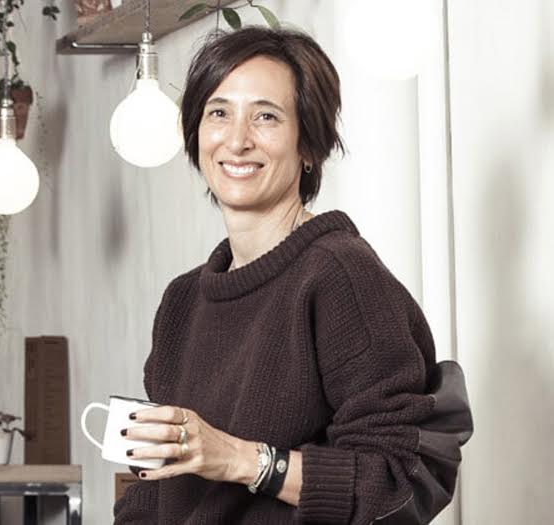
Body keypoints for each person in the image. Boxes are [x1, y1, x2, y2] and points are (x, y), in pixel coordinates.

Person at [113, 27, 463, 523]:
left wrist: (240, 459)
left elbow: (398, 479)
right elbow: (155, 488)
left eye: (266, 116)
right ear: (195, 132)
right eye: (219, 113)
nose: (237, 140)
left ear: (309, 147)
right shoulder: (183, 301)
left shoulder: (340, 276)